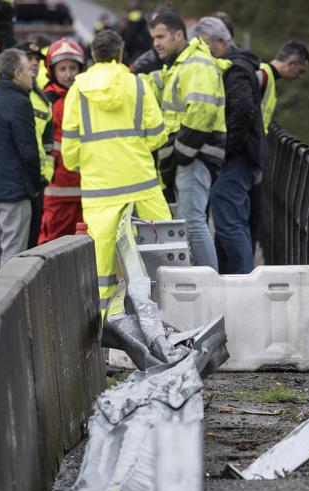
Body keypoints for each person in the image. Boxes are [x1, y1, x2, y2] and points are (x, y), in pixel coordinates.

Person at [62, 29, 171, 321]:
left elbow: (70, 142)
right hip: (140, 182)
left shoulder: (78, 90)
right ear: (120, 53)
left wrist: (78, 163)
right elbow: (157, 135)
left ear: (93, 55)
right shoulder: (136, 85)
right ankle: (165, 315)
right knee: (161, 246)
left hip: (100, 187)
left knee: (101, 260)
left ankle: (104, 325)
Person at [157, 16, 231, 270]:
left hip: (196, 154)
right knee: (191, 222)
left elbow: (201, 111)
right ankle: (205, 284)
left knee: (194, 223)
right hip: (194, 153)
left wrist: (181, 153)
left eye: (160, 36)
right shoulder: (184, 63)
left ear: (179, 35)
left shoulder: (196, 62)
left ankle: (210, 287)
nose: (155, 43)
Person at [0, 50, 46, 278]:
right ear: (17, 74)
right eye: (28, 70)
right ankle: (5, 309)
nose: (32, 75)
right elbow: (28, 150)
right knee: (12, 251)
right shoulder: (19, 103)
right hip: (12, 189)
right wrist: (35, 184)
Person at [209, 31, 262, 274]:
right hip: (245, 156)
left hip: (237, 158)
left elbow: (241, 112)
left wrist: (226, 151)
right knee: (234, 221)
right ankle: (240, 277)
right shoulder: (242, 65)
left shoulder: (236, 69)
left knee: (230, 222)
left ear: (221, 42)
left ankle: (242, 281)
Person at [38, 38, 87, 245]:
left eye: (72, 68)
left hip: (87, 186)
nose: (68, 74)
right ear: (52, 71)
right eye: (63, 69)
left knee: (87, 245)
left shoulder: (89, 96)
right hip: (57, 188)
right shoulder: (47, 101)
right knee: (52, 244)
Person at [15, 41, 55, 250]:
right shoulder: (8, 95)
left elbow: (48, 146)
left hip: (36, 181)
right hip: (13, 181)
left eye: (37, 59)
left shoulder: (42, 101)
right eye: (28, 58)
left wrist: (45, 176)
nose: (34, 63)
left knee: (31, 241)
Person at [258, 40, 309, 133]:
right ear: (291, 64)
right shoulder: (262, 76)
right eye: (301, 71)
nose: (300, 77)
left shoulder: (267, 77)